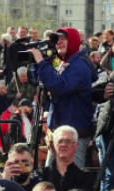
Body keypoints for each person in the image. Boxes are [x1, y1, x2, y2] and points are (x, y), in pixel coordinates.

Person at [31, 29, 96, 169]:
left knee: (72, 175)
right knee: (52, 174)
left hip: (74, 132)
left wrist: (42, 63)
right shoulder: (66, 64)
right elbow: (40, 81)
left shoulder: (79, 65)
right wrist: (40, 63)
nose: (58, 42)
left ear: (73, 41)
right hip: (61, 129)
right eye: (56, 40)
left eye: (63, 39)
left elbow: (60, 86)